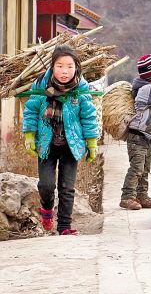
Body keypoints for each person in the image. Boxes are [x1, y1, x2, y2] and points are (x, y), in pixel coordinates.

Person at [23, 45, 99, 235]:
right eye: (59, 66)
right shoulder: (41, 84)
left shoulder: (81, 87)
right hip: (46, 144)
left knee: (67, 188)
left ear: (76, 67)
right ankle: (47, 210)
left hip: (71, 145)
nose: (64, 71)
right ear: (52, 66)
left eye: (69, 66)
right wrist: (30, 136)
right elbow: (31, 110)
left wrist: (91, 142)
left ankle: (64, 226)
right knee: (46, 186)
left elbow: (89, 116)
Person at [119, 54, 151, 210]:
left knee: (145, 167)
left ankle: (142, 195)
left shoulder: (150, 88)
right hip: (137, 136)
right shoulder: (148, 89)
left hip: (145, 136)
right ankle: (127, 196)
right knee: (137, 167)